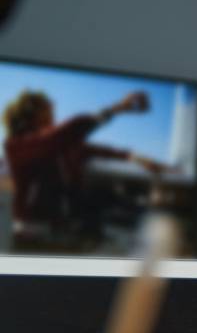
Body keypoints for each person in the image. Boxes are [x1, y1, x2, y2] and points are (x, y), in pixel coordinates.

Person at [3, 89, 169, 253]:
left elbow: (97, 150)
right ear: (32, 116)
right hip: (32, 237)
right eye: (49, 113)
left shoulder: (62, 145)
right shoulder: (17, 146)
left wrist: (137, 158)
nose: (54, 119)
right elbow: (68, 132)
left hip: (62, 232)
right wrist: (118, 107)